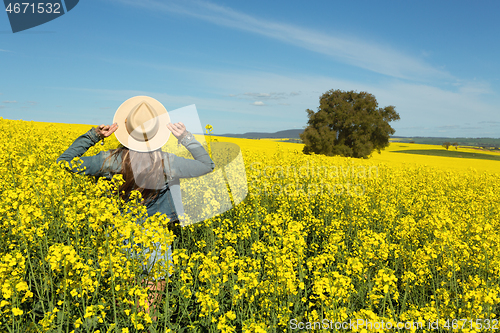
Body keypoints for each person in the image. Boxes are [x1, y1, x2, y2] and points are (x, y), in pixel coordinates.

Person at [56, 96, 215, 321]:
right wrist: (186, 138)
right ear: (157, 132)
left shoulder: (110, 160)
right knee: (147, 315)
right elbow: (207, 165)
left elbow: (65, 161)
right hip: (156, 240)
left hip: (121, 237)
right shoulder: (167, 162)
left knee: (126, 309)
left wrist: (94, 136)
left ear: (127, 131)